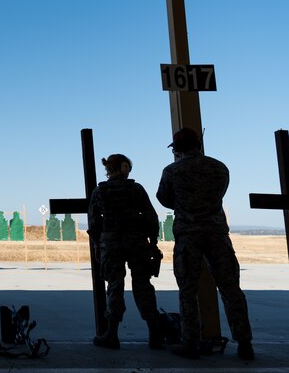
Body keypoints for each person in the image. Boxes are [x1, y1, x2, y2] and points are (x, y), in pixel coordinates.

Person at [156, 127, 254, 360]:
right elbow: (219, 194)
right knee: (231, 289)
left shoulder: (171, 171)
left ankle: (189, 341)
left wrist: (185, 204)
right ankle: (244, 343)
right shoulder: (219, 168)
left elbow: (164, 198)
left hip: (188, 235)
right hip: (217, 234)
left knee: (188, 290)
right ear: (199, 145)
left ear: (177, 149)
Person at [88, 154, 163, 350]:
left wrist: (97, 244)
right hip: (136, 243)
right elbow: (151, 217)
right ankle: (154, 334)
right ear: (124, 168)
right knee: (143, 285)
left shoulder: (100, 191)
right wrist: (153, 242)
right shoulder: (136, 189)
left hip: (110, 245)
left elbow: (94, 222)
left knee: (114, 286)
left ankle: (112, 334)